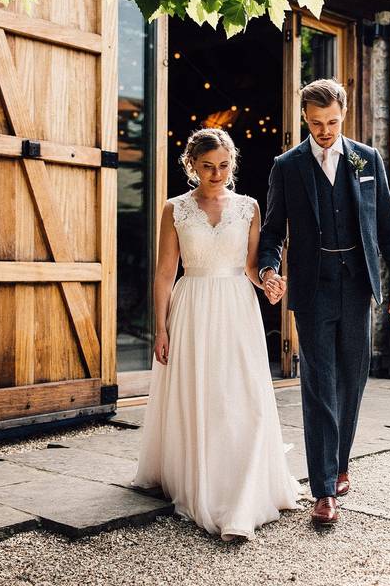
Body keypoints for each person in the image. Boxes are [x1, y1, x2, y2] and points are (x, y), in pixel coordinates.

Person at [132, 128, 300, 541]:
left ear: (233, 164)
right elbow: (165, 273)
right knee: (201, 394)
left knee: (242, 396)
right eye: (207, 166)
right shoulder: (175, 209)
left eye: (224, 166)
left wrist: (270, 281)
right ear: (191, 165)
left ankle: (244, 486)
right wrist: (161, 328)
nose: (216, 173)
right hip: (191, 306)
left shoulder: (248, 207)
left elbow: (251, 267)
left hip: (237, 308)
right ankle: (201, 478)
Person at [258, 78, 390, 526]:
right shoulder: (287, 166)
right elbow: (272, 230)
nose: (324, 131)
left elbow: (387, 227)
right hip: (312, 287)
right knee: (318, 383)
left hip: (358, 285)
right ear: (304, 119)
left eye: (332, 122)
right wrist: (269, 269)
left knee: (353, 377)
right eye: (316, 123)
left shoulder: (368, 159)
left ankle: (341, 461)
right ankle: (324, 489)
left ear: (343, 115)